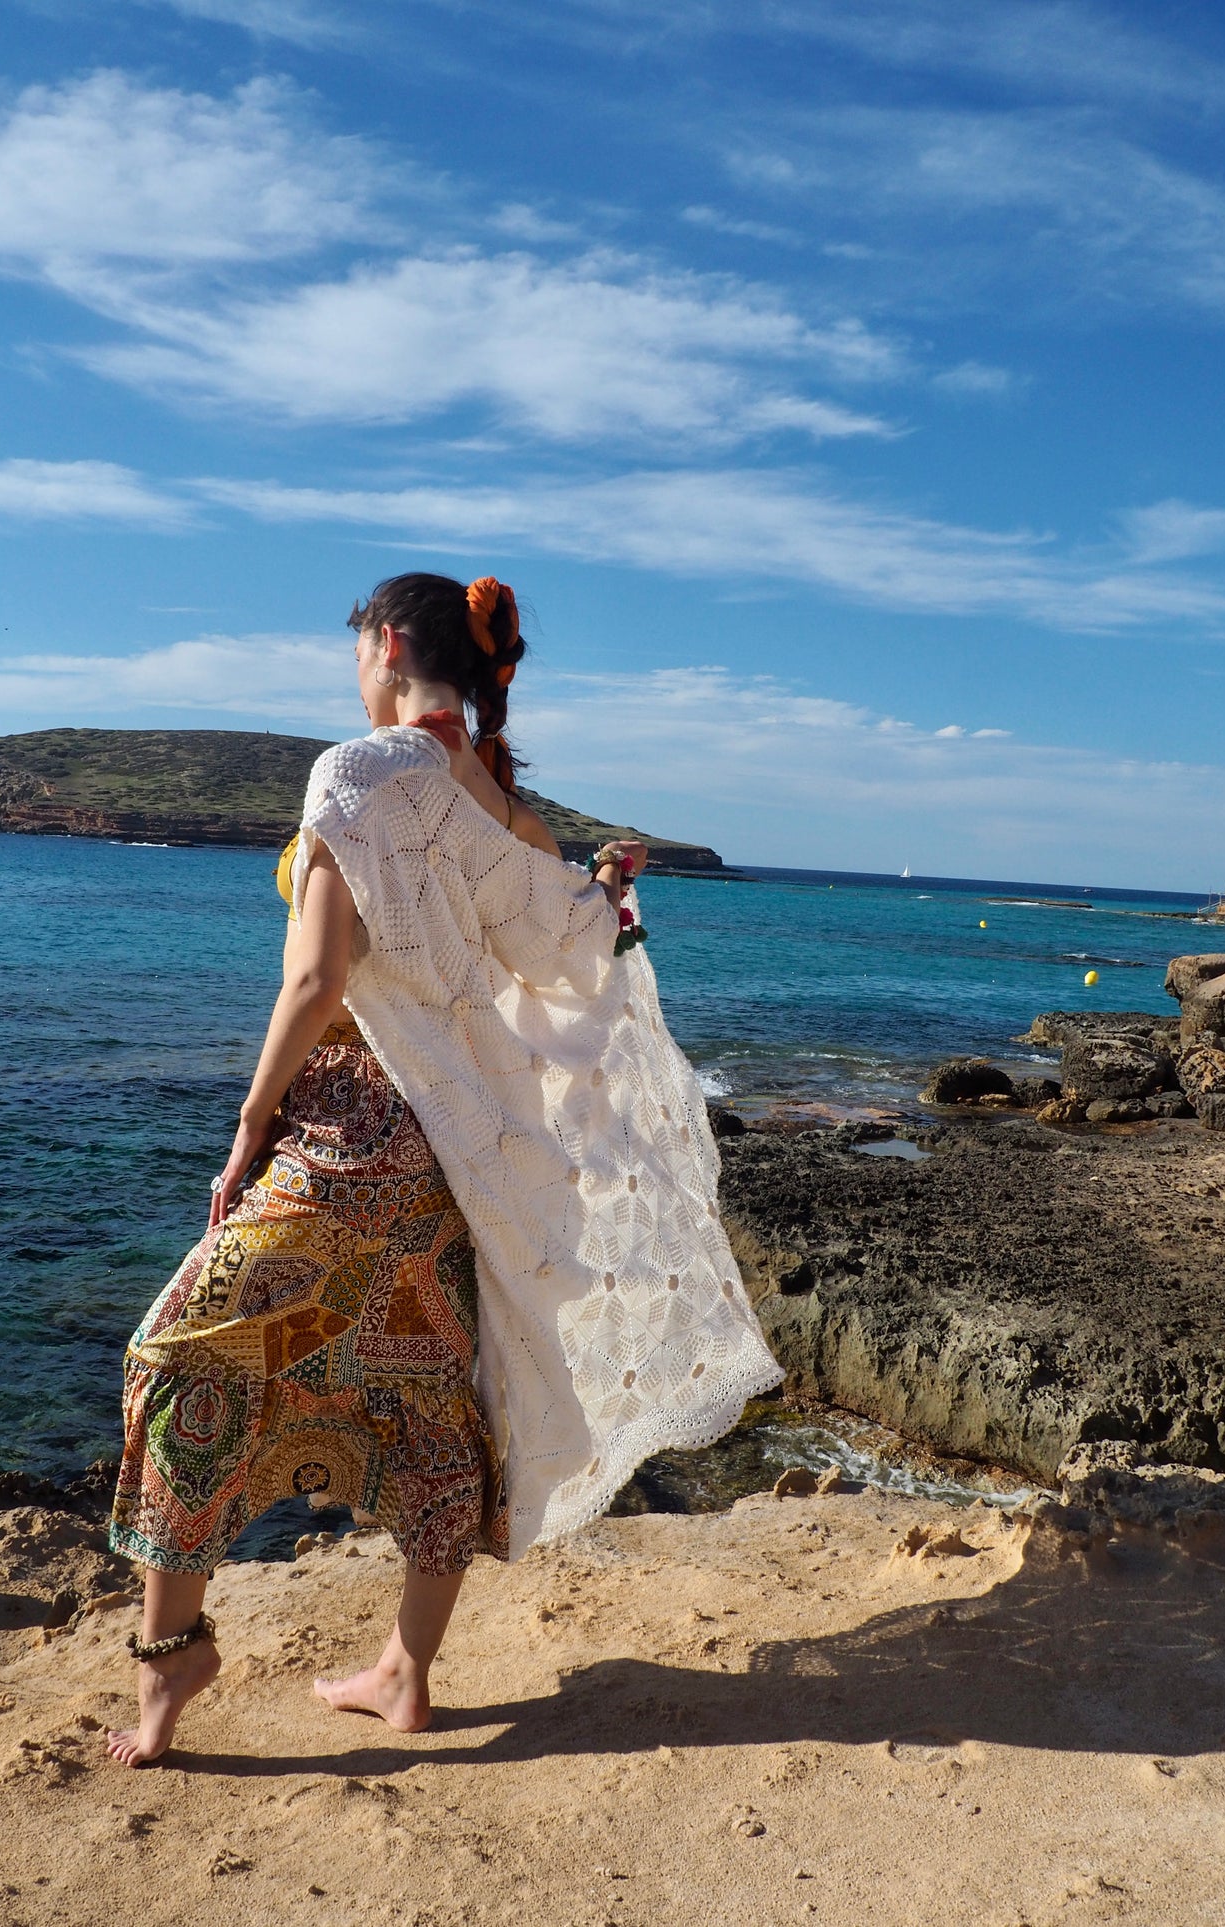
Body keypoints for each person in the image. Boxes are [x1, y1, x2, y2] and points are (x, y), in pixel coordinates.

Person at [105, 572, 781, 1767]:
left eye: (355, 644)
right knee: (426, 1400)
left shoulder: (357, 772)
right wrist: (612, 890)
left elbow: (315, 984)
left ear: (382, 645)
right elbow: (579, 948)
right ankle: (404, 1676)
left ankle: (173, 1663)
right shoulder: (501, 803)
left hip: (350, 1129)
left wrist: (249, 1122)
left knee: (178, 1354)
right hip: (454, 1151)